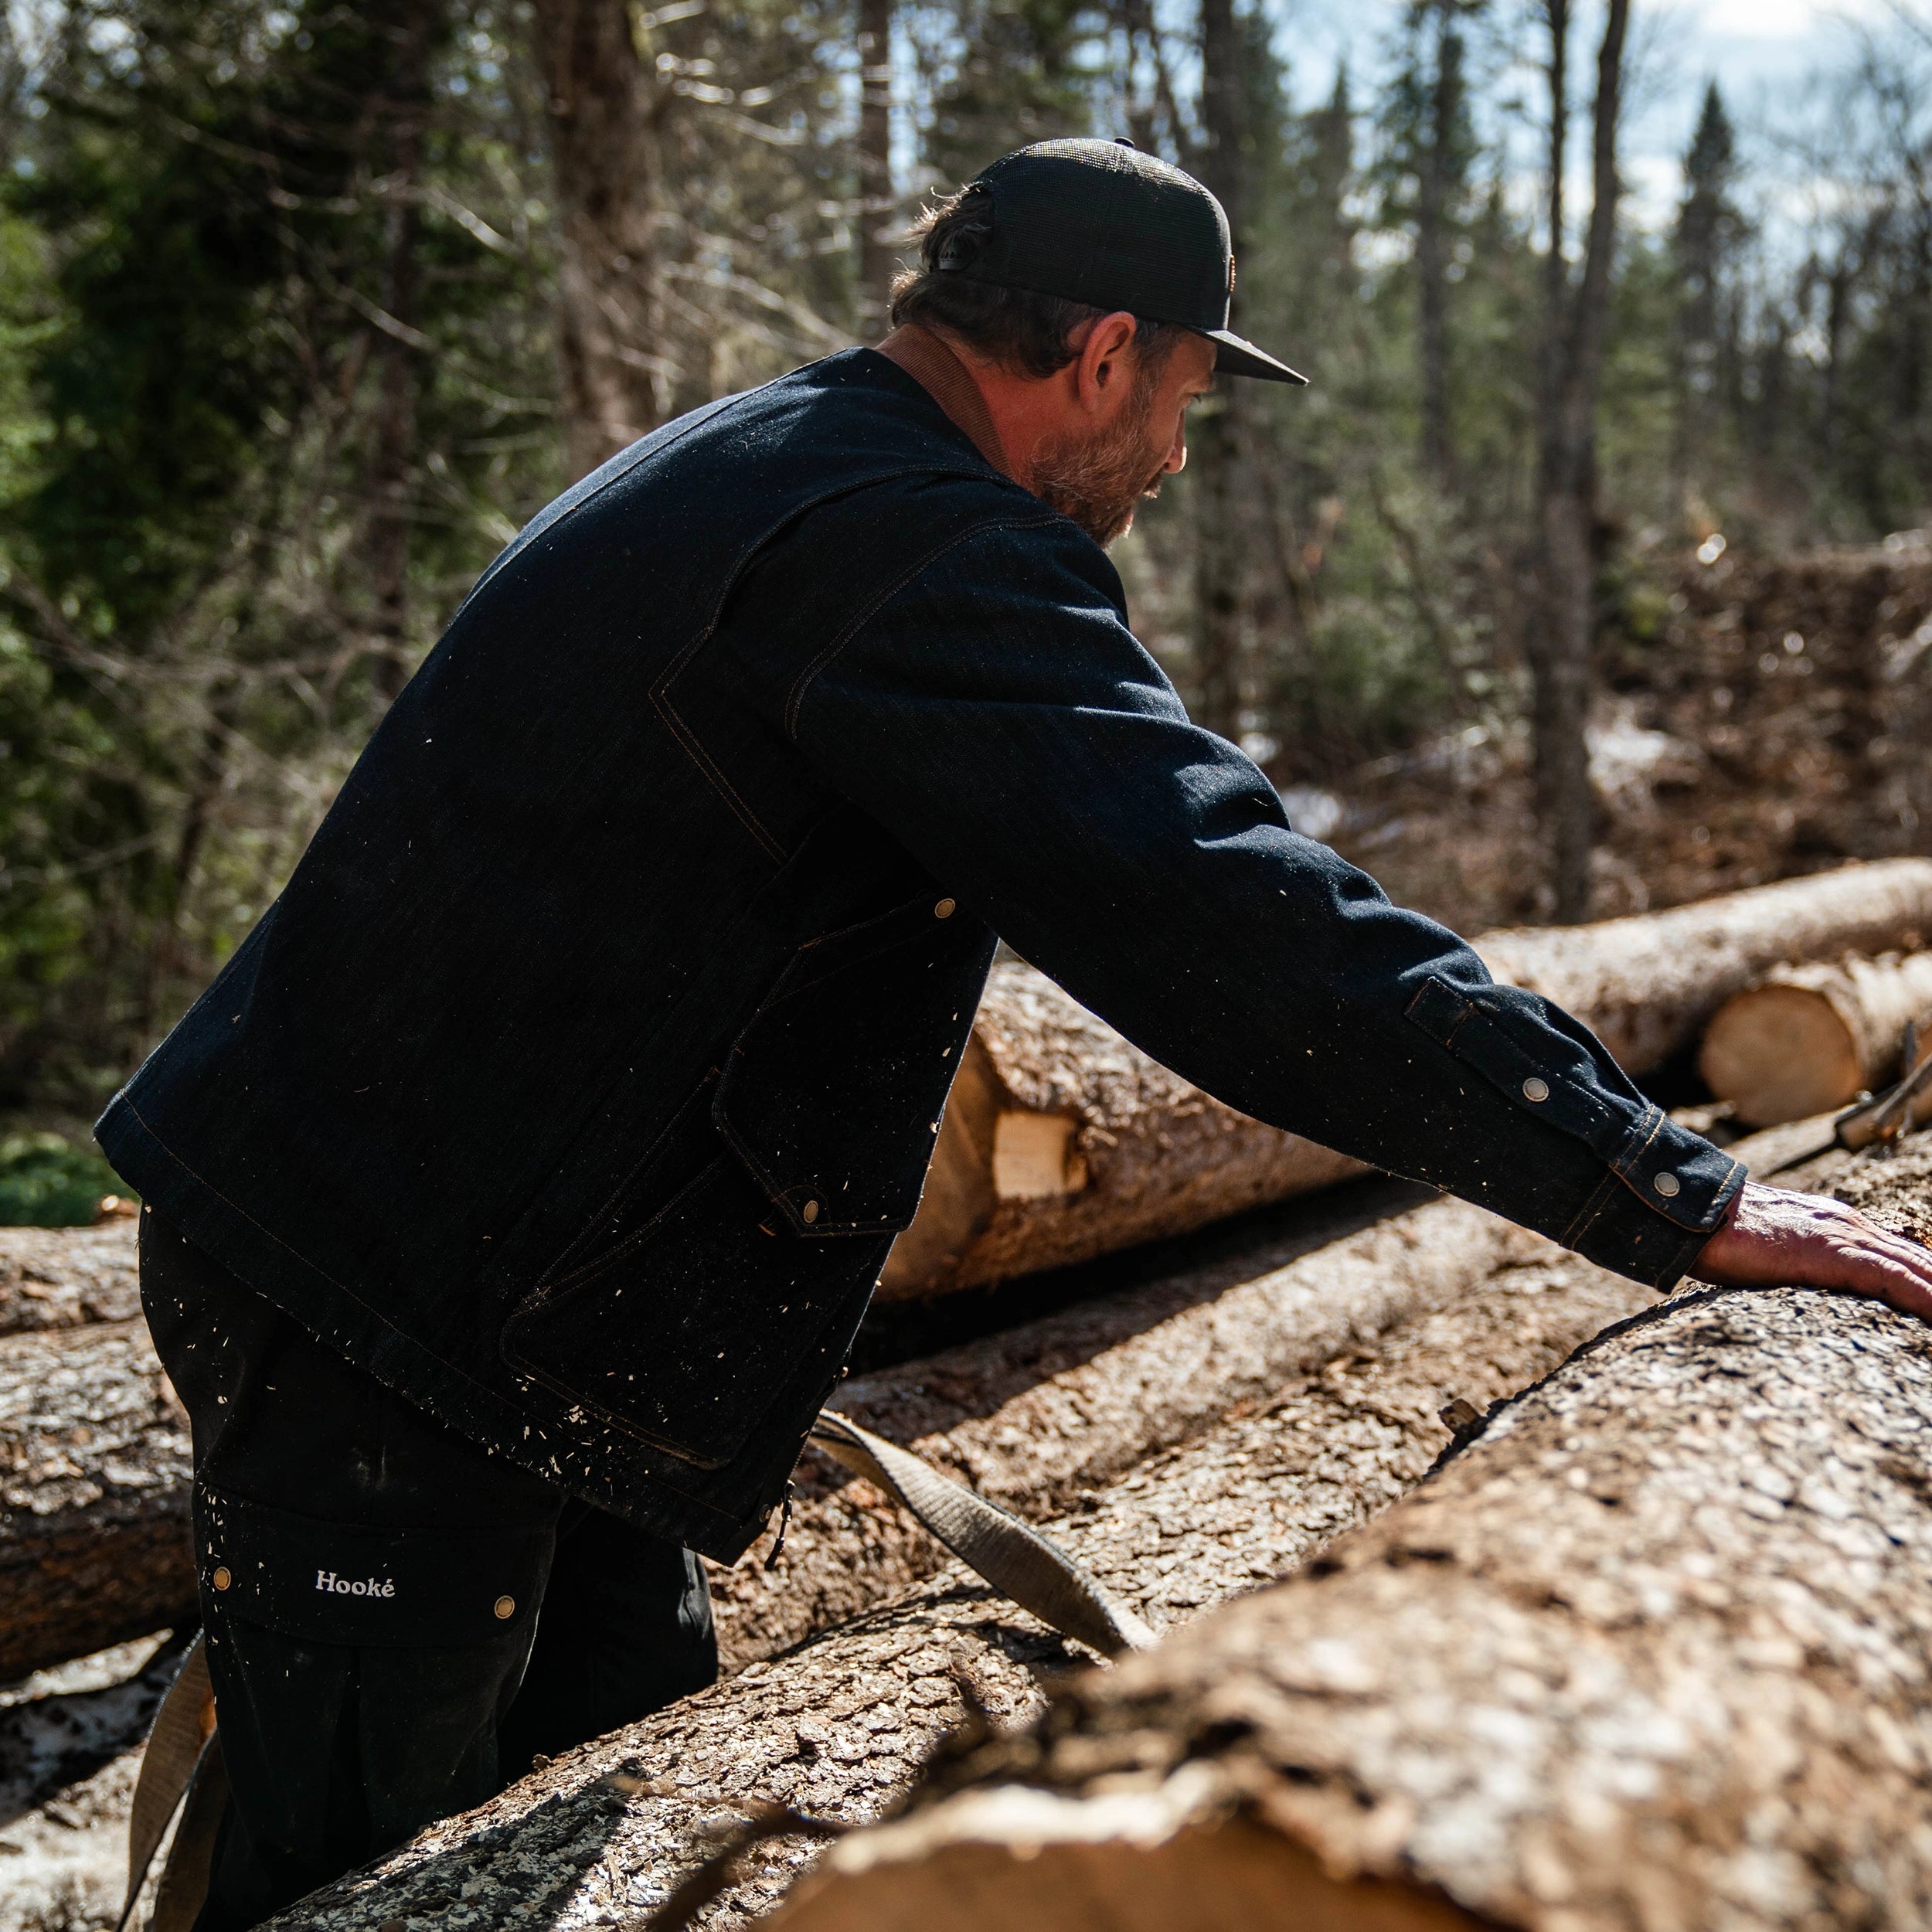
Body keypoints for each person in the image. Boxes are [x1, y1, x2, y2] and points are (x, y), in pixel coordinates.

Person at [100, 138, 1932, 1929]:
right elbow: (1224, 908)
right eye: (1188, 394)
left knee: (590, 1807)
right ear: (1106, 351)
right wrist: (1654, 1182)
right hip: (389, 1317)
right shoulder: (910, 544)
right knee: (364, 1883)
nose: (1180, 450)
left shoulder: (795, 455)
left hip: (497, 1298)